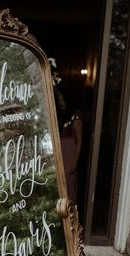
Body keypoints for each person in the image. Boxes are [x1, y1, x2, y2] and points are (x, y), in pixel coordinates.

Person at [48, 58, 83, 204]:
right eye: (59, 99)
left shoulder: (75, 115)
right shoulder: (58, 115)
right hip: (59, 153)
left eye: (63, 99)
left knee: (69, 188)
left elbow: (80, 141)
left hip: (69, 154)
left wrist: (75, 163)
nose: (61, 101)